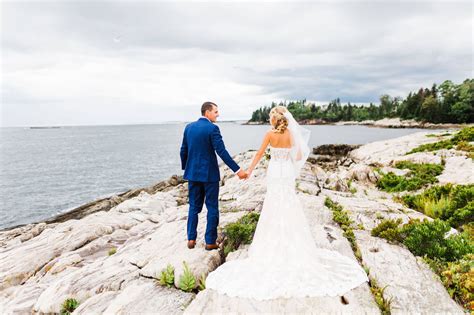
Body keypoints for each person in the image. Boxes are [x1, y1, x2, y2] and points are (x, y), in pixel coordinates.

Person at [205, 105, 369, 300]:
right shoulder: (292, 134)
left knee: (273, 205)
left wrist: (248, 171)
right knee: (289, 203)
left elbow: (258, 154)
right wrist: (287, 158)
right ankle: (296, 246)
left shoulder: (269, 135)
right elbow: (299, 155)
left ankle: (271, 247)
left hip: (275, 171)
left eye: (269, 118)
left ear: (274, 120)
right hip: (287, 172)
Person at [180, 102, 248, 251]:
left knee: (193, 207)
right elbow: (222, 152)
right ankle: (210, 241)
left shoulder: (189, 128)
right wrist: (238, 170)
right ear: (207, 112)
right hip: (209, 175)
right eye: (215, 111)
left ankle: (191, 239)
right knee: (212, 207)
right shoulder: (213, 128)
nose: (218, 114)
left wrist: (188, 167)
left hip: (192, 174)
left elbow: (183, 151)